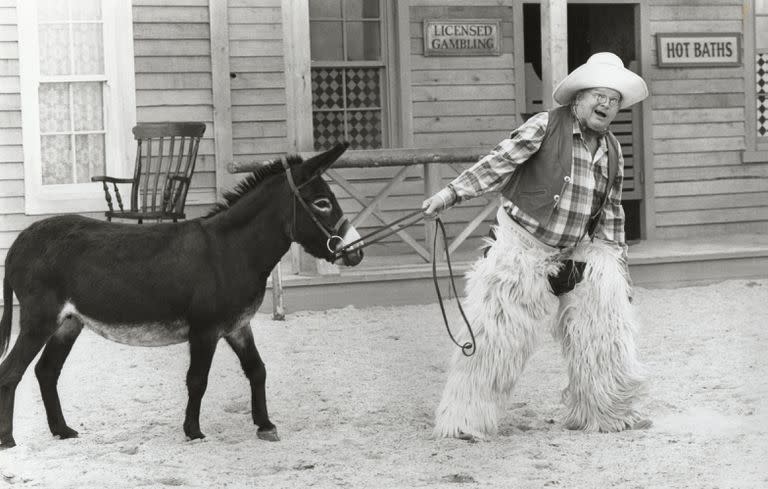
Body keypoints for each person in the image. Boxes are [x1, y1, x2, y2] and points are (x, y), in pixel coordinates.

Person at [422, 52, 652, 440]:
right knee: (497, 338)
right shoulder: (545, 126)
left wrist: (620, 273)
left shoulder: (612, 150)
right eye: (598, 95)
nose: (605, 105)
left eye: (613, 100)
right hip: (524, 245)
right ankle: (465, 420)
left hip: (578, 250)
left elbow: (612, 214)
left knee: (607, 330)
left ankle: (604, 412)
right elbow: (497, 163)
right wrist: (449, 195)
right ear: (578, 97)